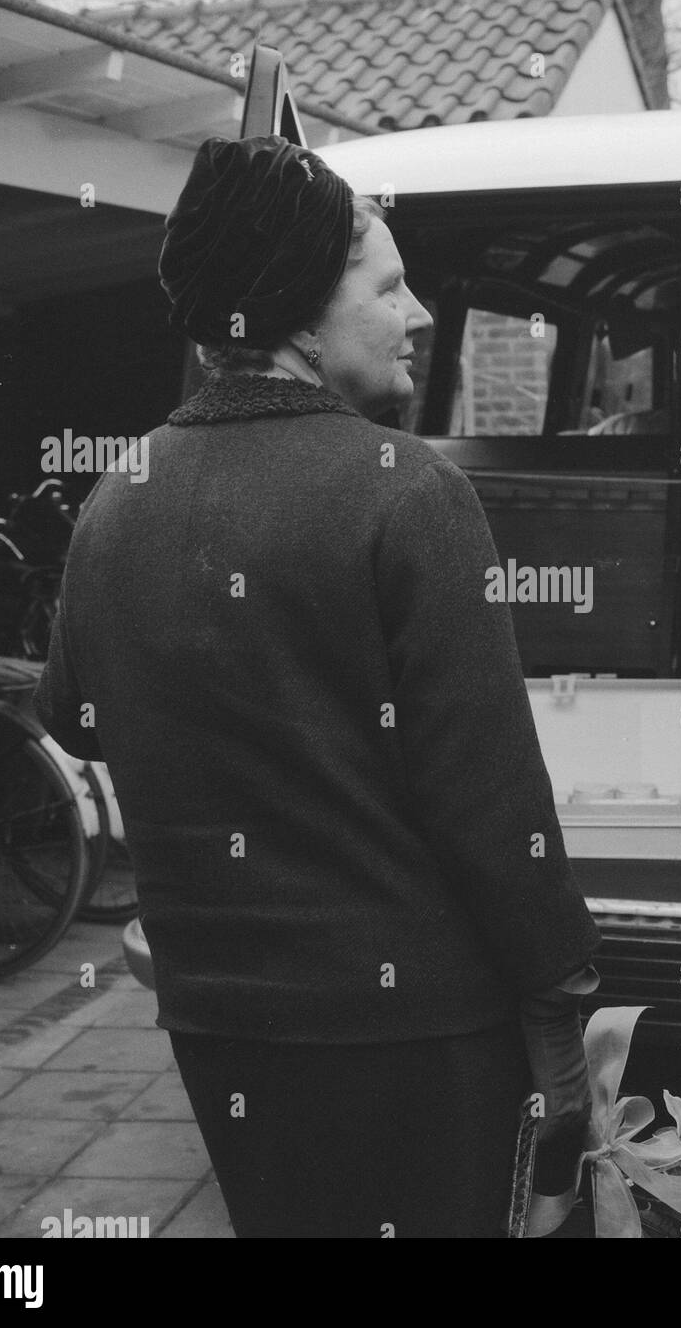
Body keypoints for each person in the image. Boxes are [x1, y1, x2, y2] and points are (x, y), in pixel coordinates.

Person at [33, 135, 600, 1238]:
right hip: (415, 1034)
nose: (420, 312)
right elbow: (495, 810)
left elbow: (73, 717)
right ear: (298, 315)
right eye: (390, 287)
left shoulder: (118, 501)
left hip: (221, 1027)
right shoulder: (411, 494)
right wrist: (562, 1002)